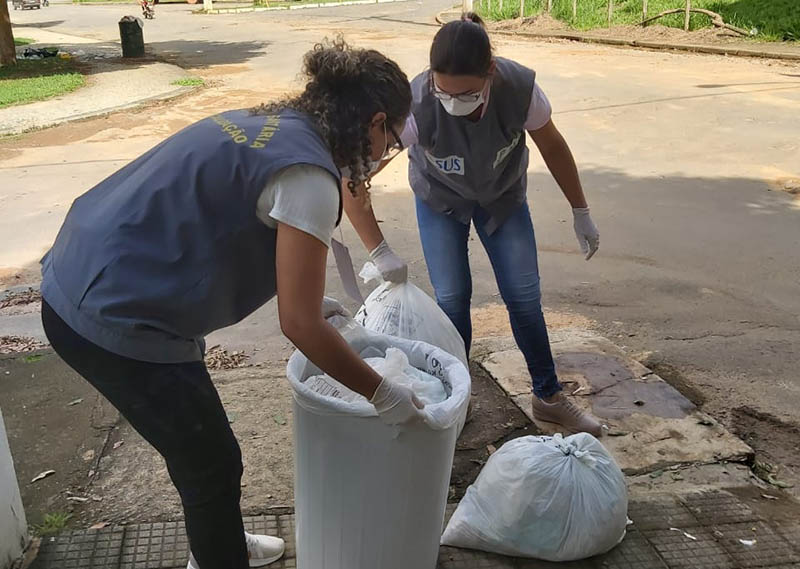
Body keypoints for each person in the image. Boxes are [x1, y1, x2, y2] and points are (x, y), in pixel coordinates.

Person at [39, 40, 420, 569]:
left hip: (88, 262)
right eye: (394, 137)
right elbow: (300, 326)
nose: (387, 152)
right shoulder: (309, 177)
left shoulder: (276, 124)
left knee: (201, 452)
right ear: (375, 123)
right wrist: (384, 393)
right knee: (211, 464)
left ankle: (217, 543)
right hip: (110, 312)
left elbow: (230, 220)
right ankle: (217, 556)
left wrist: (310, 297)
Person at [343, 13, 603, 436]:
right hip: (440, 202)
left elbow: (553, 144)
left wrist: (580, 209)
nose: (452, 102)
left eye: (465, 93)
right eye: (443, 91)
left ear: (490, 74)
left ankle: (548, 396)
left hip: (502, 199)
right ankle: (456, 398)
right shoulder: (416, 107)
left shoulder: (519, 89)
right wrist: (378, 250)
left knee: (523, 297)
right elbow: (354, 176)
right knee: (452, 299)